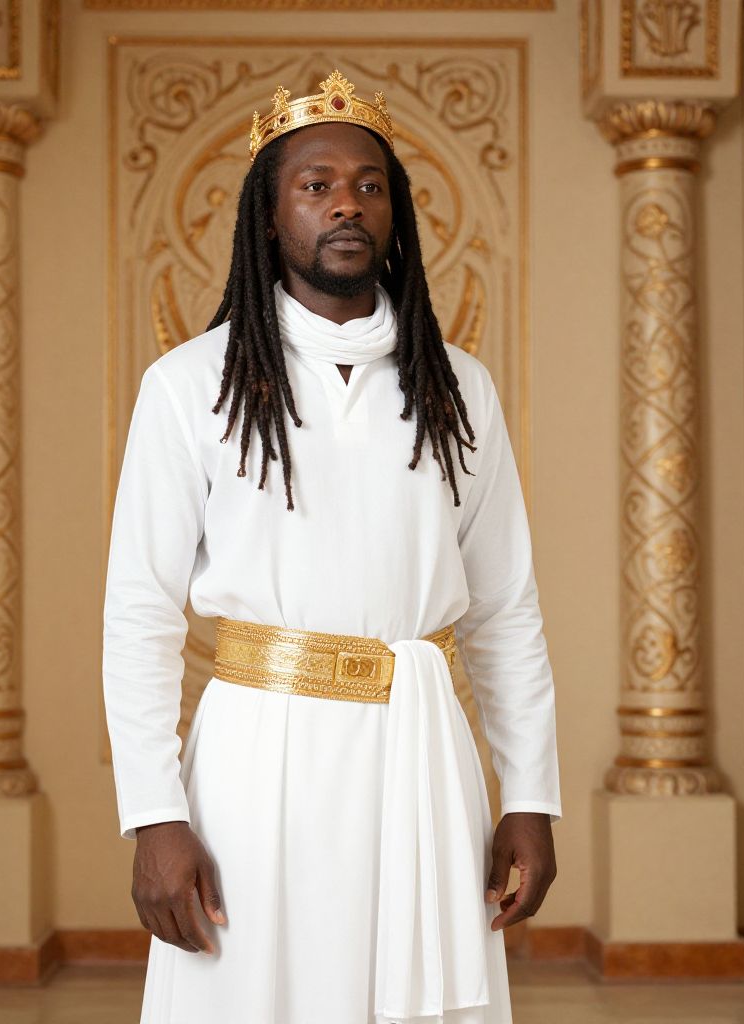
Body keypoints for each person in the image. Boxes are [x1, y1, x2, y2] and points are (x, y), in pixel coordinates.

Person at [102, 70, 561, 1024]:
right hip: (256, 762)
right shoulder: (191, 385)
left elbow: (507, 606)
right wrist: (154, 814)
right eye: (316, 185)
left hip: (423, 757)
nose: (346, 203)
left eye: (369, 184)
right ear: (269, 217)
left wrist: (530, 795)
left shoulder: (457, 387)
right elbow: (139, 610)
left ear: (394, 212)